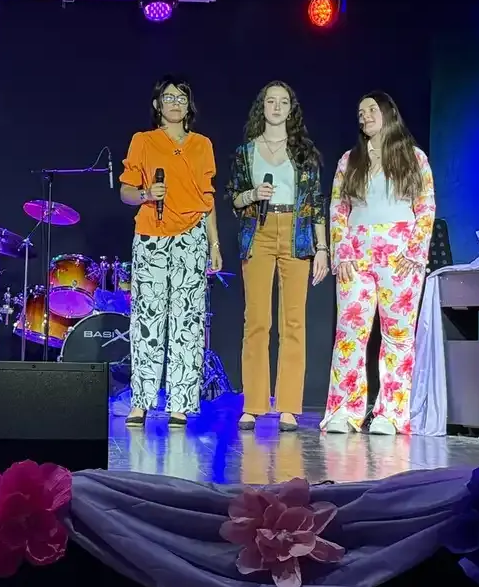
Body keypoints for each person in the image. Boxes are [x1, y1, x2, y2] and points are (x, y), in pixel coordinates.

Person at [324, 90, 434, 435]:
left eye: (371, 109)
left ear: (388, 113)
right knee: (349, 332)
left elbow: (426, 207)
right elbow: (337, 208)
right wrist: (341, 251)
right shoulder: (349, 160)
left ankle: (391, 413)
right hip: (356, 253)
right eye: (360, 112)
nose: (365, 116)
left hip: (399, 254)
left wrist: (415, 252)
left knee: (397, 335)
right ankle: (344, 410)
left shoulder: (413, 157)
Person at [118, 76, 222, 426]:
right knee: (147, 319)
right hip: (151, 235)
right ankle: (141, 402)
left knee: (187, 322)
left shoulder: (202, 144)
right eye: (168, 97)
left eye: (181, 97)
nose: (175, 103)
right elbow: (126, 191)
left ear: (189, 105)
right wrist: (147, 194)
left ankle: (180, 404)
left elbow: (208, 198)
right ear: (157, 105)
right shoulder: (143, 141)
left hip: (191, 236)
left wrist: (214, 243)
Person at [228, 81, 328, 432]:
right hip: (259, 229)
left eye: (283, 102)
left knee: (293, 322)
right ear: (263, 107)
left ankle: (288, 406)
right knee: (256, 320)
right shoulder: (246, 152)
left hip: (296, 231)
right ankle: (254, 404)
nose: (276, 107)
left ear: (290, 109)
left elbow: (316, 203)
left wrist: (322, 248)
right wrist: (253, 194)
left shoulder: (303, 152)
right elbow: (234, 198)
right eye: (270, 101)